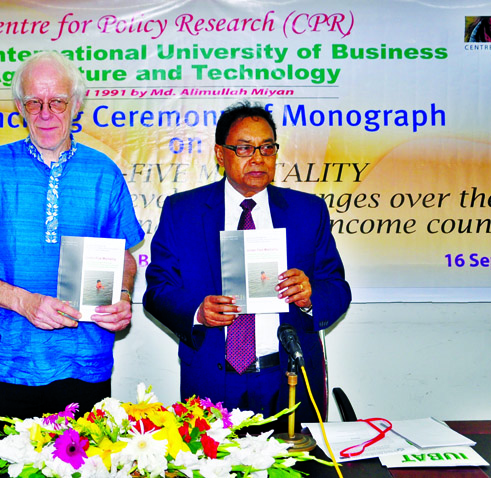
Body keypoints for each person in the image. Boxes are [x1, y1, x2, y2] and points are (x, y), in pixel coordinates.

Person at [0, 51, 144, 423]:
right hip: (5, 364)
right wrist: (24, 302)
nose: (46, 113)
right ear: (20, 106)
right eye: (34, 102)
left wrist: (122, 295)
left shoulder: (104, 172)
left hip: (86, 364)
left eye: (57, 101)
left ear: (77, 104)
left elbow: (123, 255)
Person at [143, 101, 351, 429]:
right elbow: (157, 290)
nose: (257, 158)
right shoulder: (182, 212)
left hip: (288, 381)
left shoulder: (307, 212)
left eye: (267, 148)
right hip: (212, 381)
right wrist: (197, 312)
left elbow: (337, 288)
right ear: (220, 153)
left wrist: (311, 296)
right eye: (244, 148)